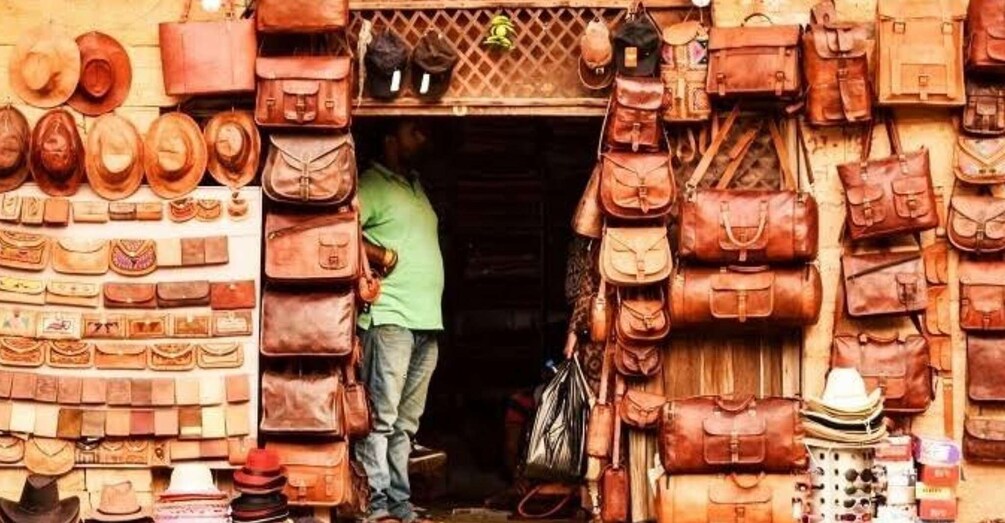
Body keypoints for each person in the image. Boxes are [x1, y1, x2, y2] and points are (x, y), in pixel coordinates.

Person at [356, 119, 445, 523]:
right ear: (391, 141)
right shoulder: (372, 185)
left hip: (427, 323)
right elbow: (340, 227)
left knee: (405, 425)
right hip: (390, 317)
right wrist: (380, 256)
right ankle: (376, 507)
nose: (423, 138)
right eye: (416, 131)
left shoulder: (416, 185)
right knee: (382, 419)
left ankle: (400, 505)